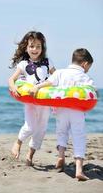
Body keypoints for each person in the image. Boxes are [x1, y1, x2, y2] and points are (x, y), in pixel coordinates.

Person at [29, 48, 97, 180]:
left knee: (61, 131)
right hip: (77, 110)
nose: (88, 69)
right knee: (79, 136)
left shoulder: (60, 72)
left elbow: (48, 83)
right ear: (84, 64)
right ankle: (78, 170)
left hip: (60, 109)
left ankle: (61, 156)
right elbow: (92, 92)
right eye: (89, 66)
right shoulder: (85, 77)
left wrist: (37, 87)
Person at [9, 31, 56, 165]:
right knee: (30, 127)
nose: (35, 49)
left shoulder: (48, 62)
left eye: (38, 46)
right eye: (32, 46)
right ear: (26, 48)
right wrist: (13, 87)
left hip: (45, 101)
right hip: (30, 101)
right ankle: (18, 142)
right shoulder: (23, 64)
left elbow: (56, 77)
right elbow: (11, 79)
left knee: (41, 129)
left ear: (43, 48)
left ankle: (30, 155)